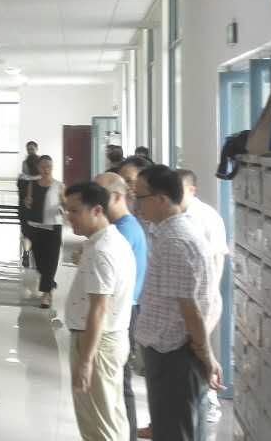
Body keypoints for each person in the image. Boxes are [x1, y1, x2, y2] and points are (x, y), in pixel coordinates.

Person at [133, 166, 221, 441]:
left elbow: (190, 309)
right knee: (175, 427)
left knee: (175, 431)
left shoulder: (175, 241)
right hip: (170, 350)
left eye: (140, 197)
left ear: (160, 199)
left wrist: (206, 356)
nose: (136, 205)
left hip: (174, 354)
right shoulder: (170, 232)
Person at [63, 183, 136, 441]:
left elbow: (98, 310)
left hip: (97, 343)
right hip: (104, 339)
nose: (69, 217)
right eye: (66, 210)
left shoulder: (102, 251)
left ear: (96, 210)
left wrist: (86, 361)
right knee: (108, 417)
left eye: (75, 211)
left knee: (101, 426)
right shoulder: (104, 242)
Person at [95, 172, 148, 441]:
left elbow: (108, 277)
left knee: (119, 381)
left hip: (124, 312)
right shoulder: (121, 226)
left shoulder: (124, 230)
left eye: (99, 194)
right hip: (123, 309)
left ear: (117, 196)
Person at [179, 169, 230, 435]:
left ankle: (209, 402)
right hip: (186, 302)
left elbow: (217, 259)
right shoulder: (176, 216)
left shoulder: (207, 217)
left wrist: (208, 301)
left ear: (192, 190)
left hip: (203, 301)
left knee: (200, 351)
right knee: (191, 355)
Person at [23, 155, 65, 308]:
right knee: (40, 263)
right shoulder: (32, 184)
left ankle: (46, 294)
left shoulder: (59, 185)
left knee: (51, 260)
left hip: (53, 226)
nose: (46, 169)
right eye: (43, 166)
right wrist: (27, 202)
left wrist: (62, 207)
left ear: (52, 167)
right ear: (38, 168)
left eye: (49, 166)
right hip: (36, 226)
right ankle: (50, 283)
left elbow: (65, 203)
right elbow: (28, 201)